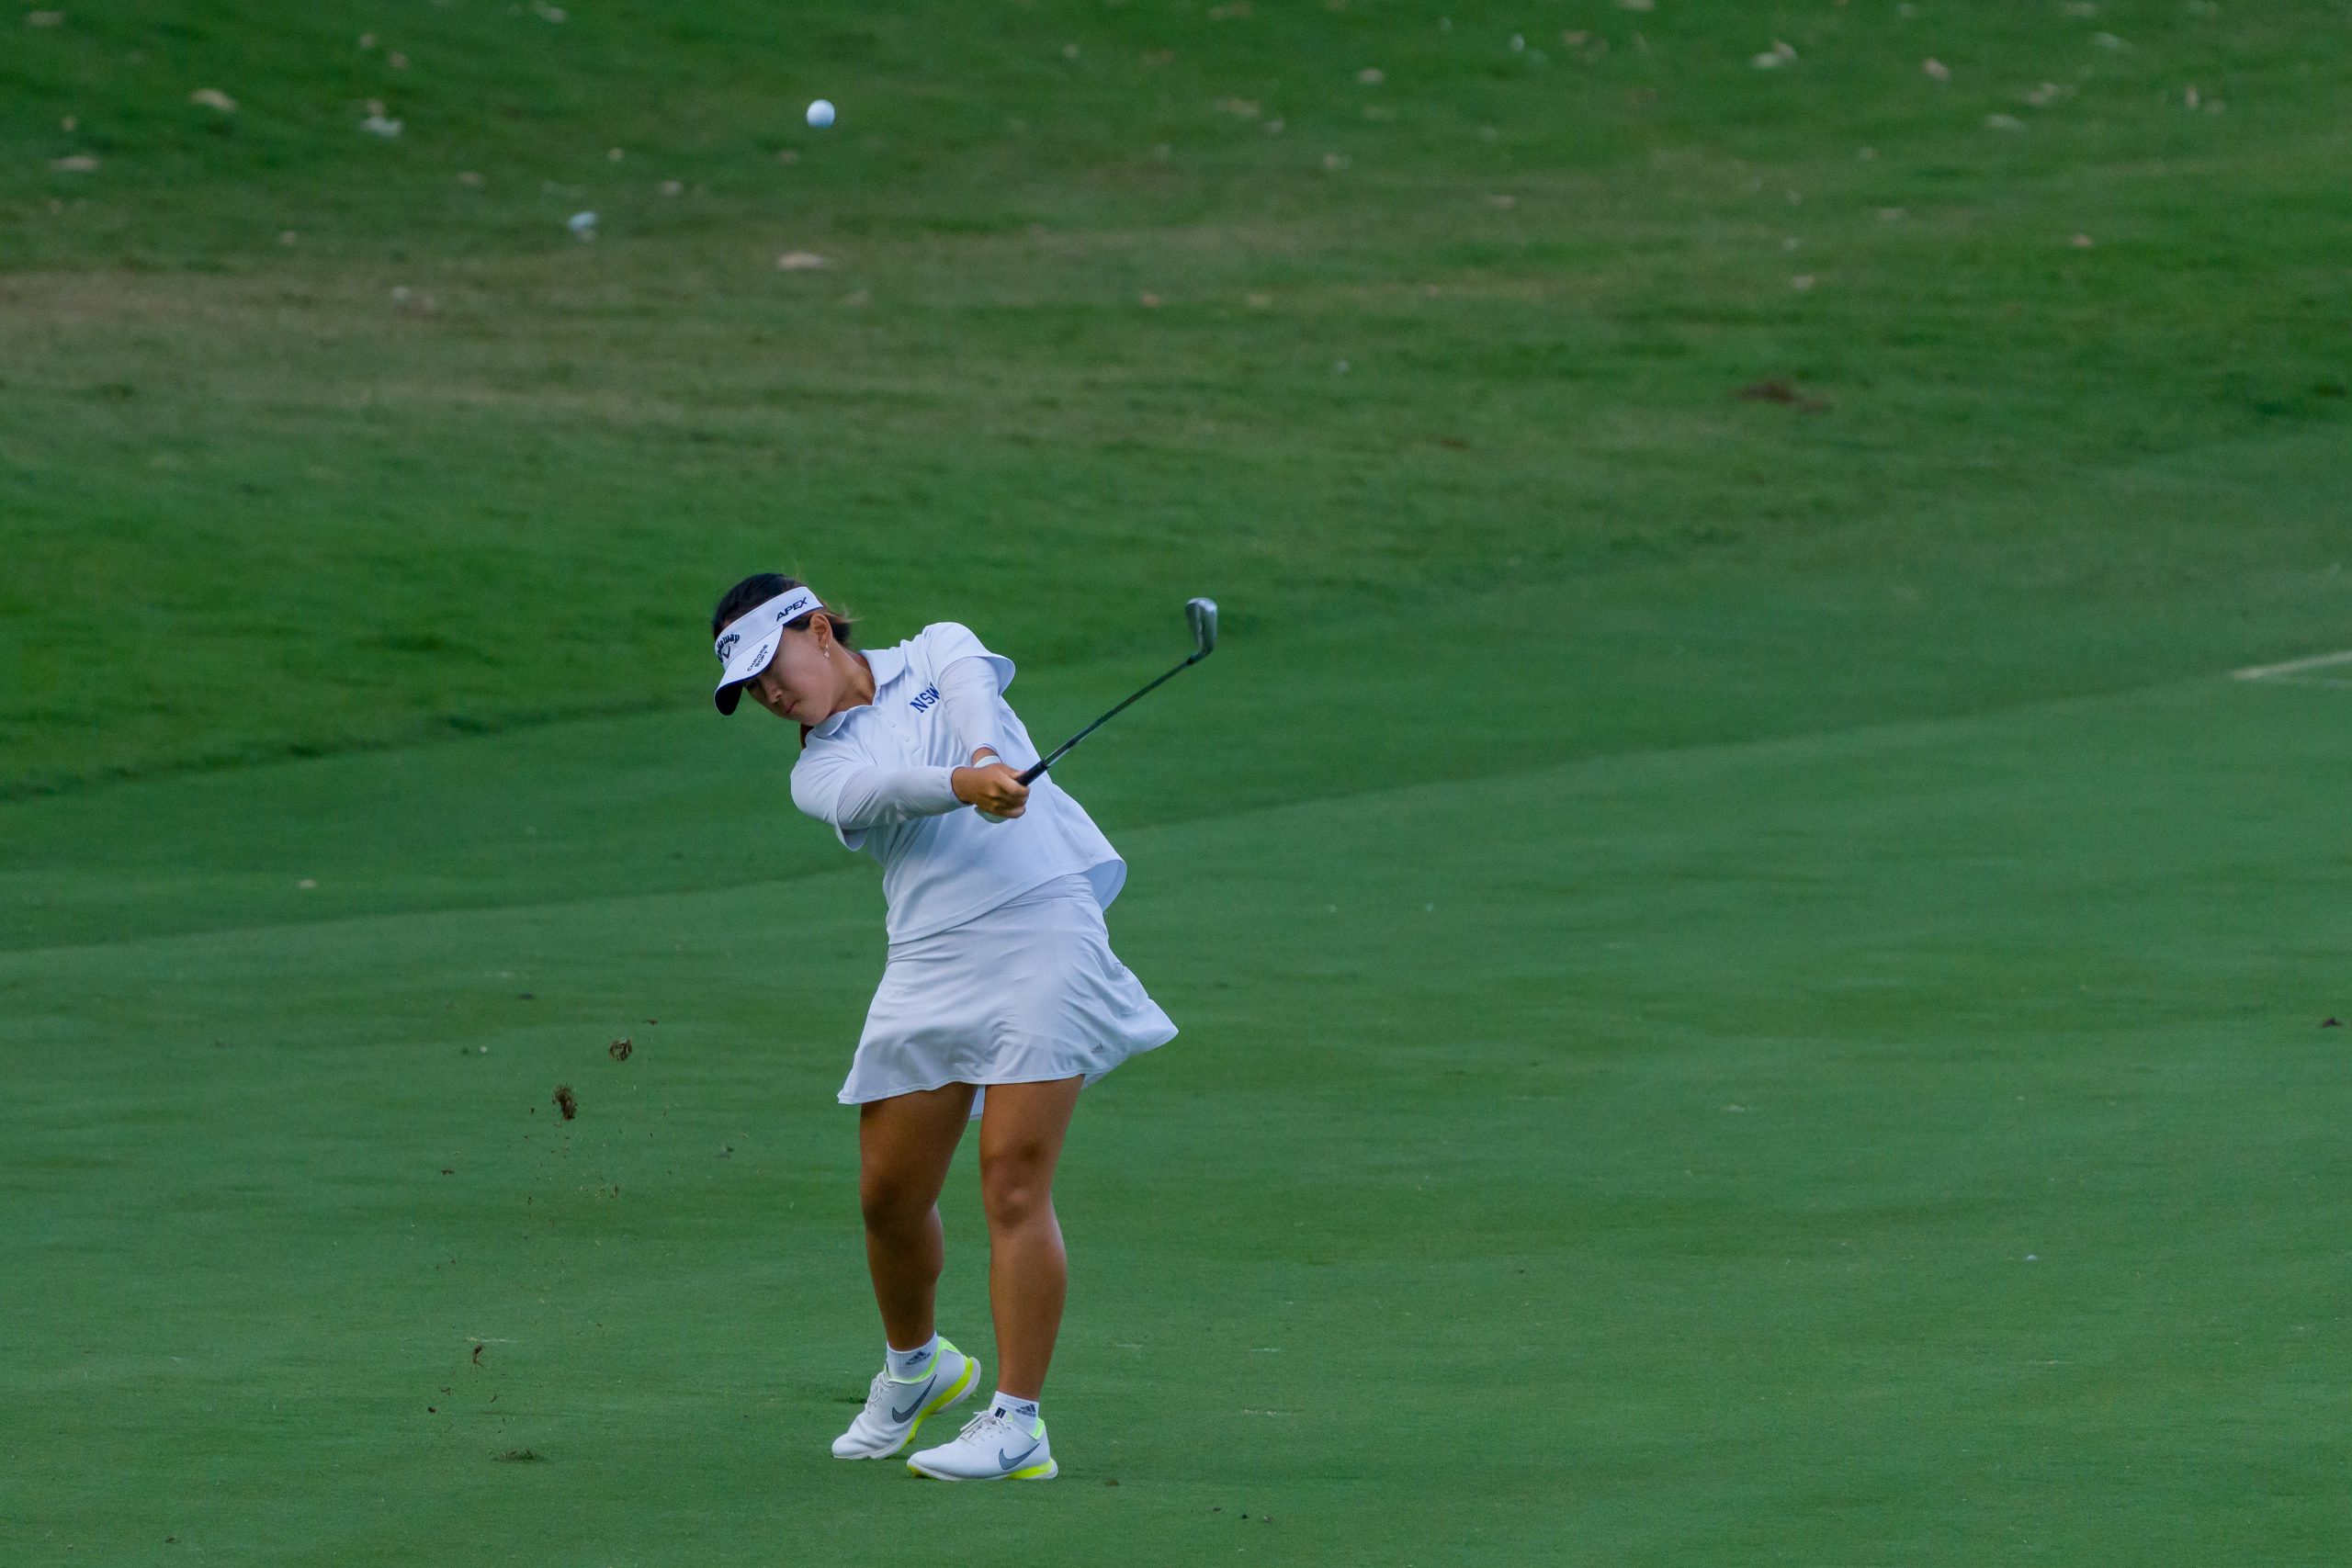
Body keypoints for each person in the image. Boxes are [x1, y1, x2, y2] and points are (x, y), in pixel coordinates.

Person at [708, 574, 1177, 1483]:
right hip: (930, 958)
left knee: (1010, 1179)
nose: (768, 694)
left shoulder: (936, 648)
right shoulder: (818, 772)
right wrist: (967, 784)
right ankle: (919, 1369)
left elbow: (973, 695)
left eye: (771, 666)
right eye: (749, 689)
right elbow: (893, 790)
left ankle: (1016, 1422)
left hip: (1045, 926)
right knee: (887, 1196)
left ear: (816, 628)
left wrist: (989, 755)